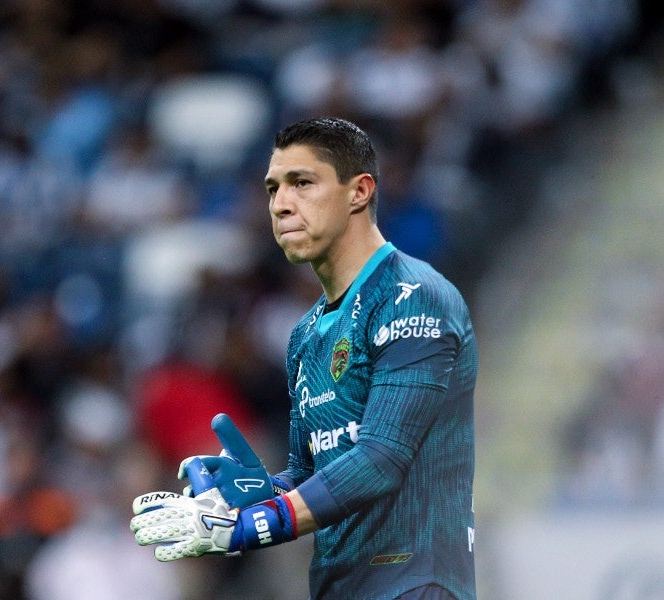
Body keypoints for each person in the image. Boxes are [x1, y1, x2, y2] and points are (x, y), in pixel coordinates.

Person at [130, 116, 477, 600]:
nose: (281, 205)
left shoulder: (414, 298)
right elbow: (313, 471)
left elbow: (381, 459)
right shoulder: (307, 333)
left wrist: (256, 524)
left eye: (302, 184)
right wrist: (259, 492)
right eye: (273, 189)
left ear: (359, 192)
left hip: (413, 578)